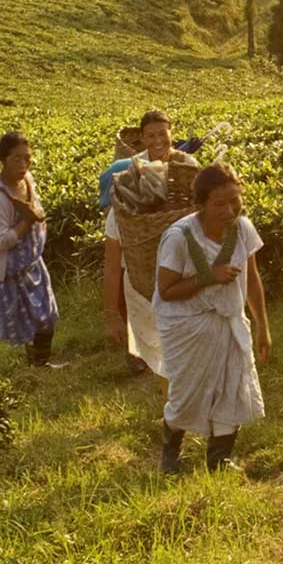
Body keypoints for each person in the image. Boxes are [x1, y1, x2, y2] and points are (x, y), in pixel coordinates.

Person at [153, 163, 269, 473]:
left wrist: (262, 327)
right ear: (201, 204)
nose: (230, 210)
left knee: (233, 385)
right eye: (219, 203)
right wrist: (209, 277)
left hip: (228, 321)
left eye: (235, 200)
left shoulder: (243, 229)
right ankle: (170, 453)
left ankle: (220, 458)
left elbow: (253, 281)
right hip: (187, 325)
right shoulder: (179, 237)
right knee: (186, 392)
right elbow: (166, 290)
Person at [99, 109, 180, 373]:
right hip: (141, 278)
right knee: (158, 351)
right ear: (142, 139)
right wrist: (111, 314)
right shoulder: (127, 187)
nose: (157, 141)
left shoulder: (185, 168)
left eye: (162, 134)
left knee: (175, 355)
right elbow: (112, 263)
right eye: (150, 136)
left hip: (179, 278)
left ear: (172, 134)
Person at [0, 131, 60, 368]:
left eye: (28, 158)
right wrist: (27, 221)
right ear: (3, 159)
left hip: (30, 266)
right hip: (0, 273)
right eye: (17, 159)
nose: (24, 165)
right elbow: (2, 240)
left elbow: (38, 211)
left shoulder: (27, 180)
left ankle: (39, 366)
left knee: (46, 317)